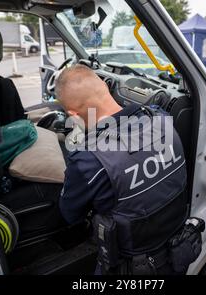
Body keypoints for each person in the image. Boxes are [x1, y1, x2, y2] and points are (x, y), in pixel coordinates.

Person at [55, 65, 196, 275]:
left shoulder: (87, 160)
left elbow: (70, 214)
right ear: (105, 85)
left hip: (133, 269)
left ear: (73, 114)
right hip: (182, 250)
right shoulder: (161, 118)